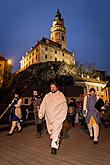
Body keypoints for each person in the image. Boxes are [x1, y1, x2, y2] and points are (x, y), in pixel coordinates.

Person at [38, 81, 68, 155]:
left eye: (54, 87)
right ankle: (56, 139)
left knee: (55, 132)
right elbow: (43, 105)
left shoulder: (61, 95)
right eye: (51, 87)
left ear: (57, 87)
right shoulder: (47, 96)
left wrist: (62, 116)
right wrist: (41, 113)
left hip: (58, 117)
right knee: (51, 133)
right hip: (49, 118)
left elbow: (65, 107)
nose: (52, 88)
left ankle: (53, 147)